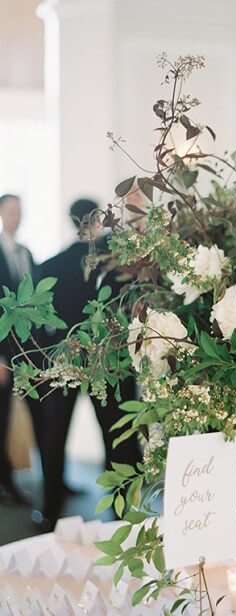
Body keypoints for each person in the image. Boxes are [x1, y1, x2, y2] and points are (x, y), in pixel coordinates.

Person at [35, 198, 141, 530]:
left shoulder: (52, 265)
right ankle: (123, 512)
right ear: (98, 219)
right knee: (116, 438)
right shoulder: (116, 260)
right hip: (109, 363)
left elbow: (41, 321)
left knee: (55, 438)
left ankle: (50, 511)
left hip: (65, 360)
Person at [0, 193, 45, 507]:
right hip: (3, 356)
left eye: (20, 210)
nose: (17, 215)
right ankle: (6, 484)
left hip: (29, 354)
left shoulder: (27, 252)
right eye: (11, 210)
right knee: (1, 420)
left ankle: (54, 476)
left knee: (43, 414)